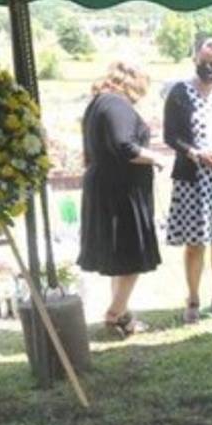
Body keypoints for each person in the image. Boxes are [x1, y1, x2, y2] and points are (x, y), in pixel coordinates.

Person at [77, 61, 166, 336]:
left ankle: (122, 312)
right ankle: (115, 314)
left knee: (119, 257)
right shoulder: (116, 105)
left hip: (108, 187)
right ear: (132, 81)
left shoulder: (97, 104)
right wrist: (158, 158)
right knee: (130, 255)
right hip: (120, 192)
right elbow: (124, 146)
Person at [164, 37, 212, 324]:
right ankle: (193, 298)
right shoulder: (179, 93)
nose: (210, 67)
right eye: (205, 62)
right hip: (192, 177)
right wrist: (195, 153)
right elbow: (171, 135)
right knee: (195, 243)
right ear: (195, 59)